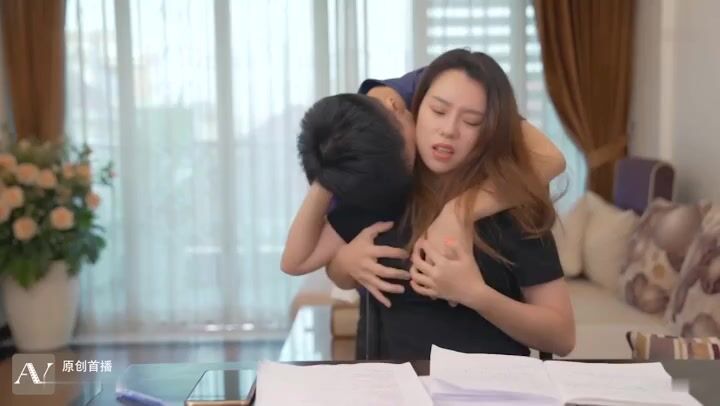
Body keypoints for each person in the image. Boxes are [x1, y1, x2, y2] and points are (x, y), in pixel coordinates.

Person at [323, 49, 575, 360]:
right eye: (438, 111)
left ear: (492, 132)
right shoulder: (382, 190)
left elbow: (562, 337)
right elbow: (329, 264)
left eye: (471, 121)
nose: (449, 130)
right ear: (415, 109)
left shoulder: (513, 207)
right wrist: (345, 262)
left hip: (493, 384)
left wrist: (476, 294)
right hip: (390, 382)